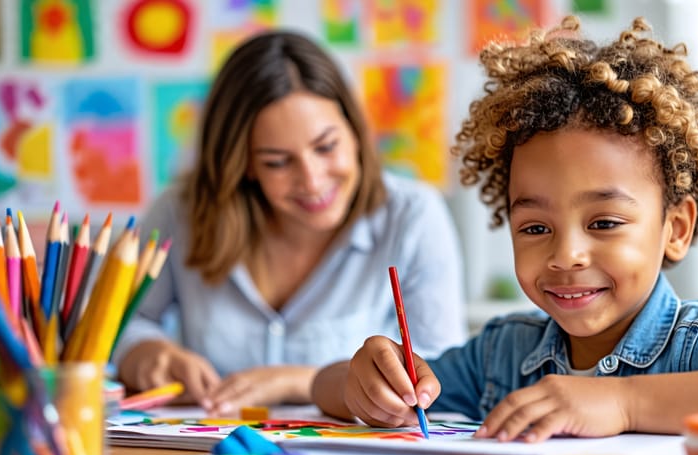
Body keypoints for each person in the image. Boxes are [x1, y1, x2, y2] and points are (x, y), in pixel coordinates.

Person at [312, 16, 698, 441]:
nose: (567, 255)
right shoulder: (504, 353)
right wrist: (367, 380)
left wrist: (621, 403)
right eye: (536, 227)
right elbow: (325, 387)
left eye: (603, 222)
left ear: (675, 228)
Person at [113, 31, 467, 416]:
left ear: (355, 132)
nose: (312, 181)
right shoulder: (179, 213)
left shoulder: (412, 216)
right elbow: (115, 328)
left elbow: (443, 370)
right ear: (242, 163)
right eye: (277, 162)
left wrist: (297, 380)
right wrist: (146, 353)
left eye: (326, 146)